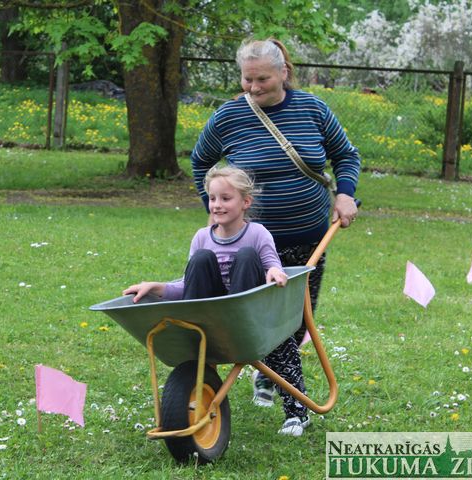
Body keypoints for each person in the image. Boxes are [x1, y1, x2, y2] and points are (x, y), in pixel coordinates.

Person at [190, 38, 361, 436]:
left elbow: (346, 155)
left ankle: (268, 370)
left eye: (262, 79)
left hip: (310, 240)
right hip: (251, 246)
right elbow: (201, 161)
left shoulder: (313, 109)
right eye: (247, 79)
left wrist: (345, 193)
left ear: (283, 73)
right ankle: (290, 400)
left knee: (298, 323)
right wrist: (215, 208)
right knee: (271, 322)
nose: (253, 87)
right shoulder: (229, 117)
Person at [123, 165, 288, 303]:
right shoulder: (202, 237)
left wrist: (274, 271)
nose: (217, 205)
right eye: (212, 198)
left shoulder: (257, 233)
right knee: (202, 257)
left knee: (247, 255)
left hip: (249, 310)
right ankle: (193, 321)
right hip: (210, 315)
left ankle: (236, 317)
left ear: (246, 202)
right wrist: (155, 287)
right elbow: (188, 285)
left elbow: (275, 269)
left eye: (225, 198)